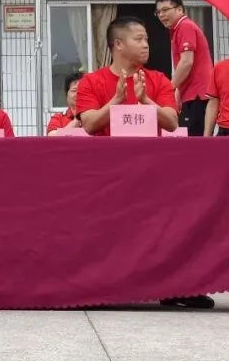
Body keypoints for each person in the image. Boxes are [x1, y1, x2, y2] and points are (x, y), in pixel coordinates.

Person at [76, 16, 213, 310]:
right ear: (118, 44)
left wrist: (146, 101)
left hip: (152, 174)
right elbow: (89, 125)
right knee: (108, 235)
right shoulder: (92, 81)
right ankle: (104, 289)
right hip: (107, 176)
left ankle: (175, 288)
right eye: (139, 39)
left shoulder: (158, 80)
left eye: (147, 40)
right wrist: (115, 100)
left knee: (164, 232)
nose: (146, 45)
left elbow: (172, 121)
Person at [155, 0, 213, 139]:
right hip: (192, 94)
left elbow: (187, 62)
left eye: (166, 10)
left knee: (194, 141)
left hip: (198, 95)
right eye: (158, 12)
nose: (162, 15)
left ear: (180, 9)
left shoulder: (185, 27)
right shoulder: (177, 29)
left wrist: (168, 88)